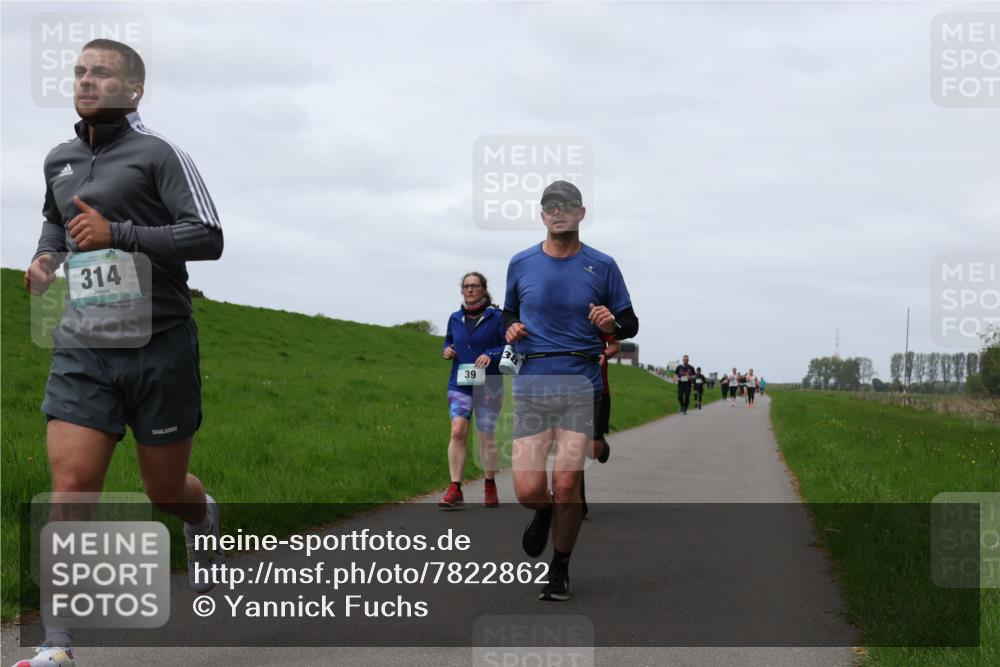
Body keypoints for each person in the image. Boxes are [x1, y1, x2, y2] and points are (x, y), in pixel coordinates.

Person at [17, 40, 224, 667]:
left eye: (101, 73)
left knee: (166, 491)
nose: (86, 81)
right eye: (79, 72)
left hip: (159, 343)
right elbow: (56, 223)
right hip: (85, 343)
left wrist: (120, 234)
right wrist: (46, 257)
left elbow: (208, 236)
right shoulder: (60, 158)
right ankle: (58, 645)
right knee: (72, 488)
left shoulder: (160, 154)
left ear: (134, 89)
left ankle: (203, 514)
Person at [504, 181, 638, 601]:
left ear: (581, 213)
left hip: (582, 383)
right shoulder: (521, 263)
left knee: (566, 486)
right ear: (542, 216)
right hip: (533, 383)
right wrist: (510, 328)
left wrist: (610, 326)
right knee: (529, 491)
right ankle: (542, 514)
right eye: (550, 208)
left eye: (566, 207)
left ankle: (559, 568)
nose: (558, 213)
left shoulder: (603, 265)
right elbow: (508, 312)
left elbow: (629, 324)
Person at [439, 272, 505, 509]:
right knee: (457, 431)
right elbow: (448, 341)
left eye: (475, 286)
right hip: (460, 383)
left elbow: (508, 345)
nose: (470, 290)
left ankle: (489, 483)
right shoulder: (454, 318)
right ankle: (455, 488)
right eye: (466, 286)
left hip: (490, 383)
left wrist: (491, 354)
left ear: (484, 289)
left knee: (485, 435)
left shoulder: (497, 317)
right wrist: (446, 350)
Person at [580, 333, 619, 518]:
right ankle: (578, 502)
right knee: (575, 448)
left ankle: (601, 444)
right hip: (571, 389)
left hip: (599, 390)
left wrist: (604, 354)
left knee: (593, 450)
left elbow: (615, 345)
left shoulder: (596, 311)